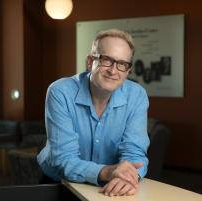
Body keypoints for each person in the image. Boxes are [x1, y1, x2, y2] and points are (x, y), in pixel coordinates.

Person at [37, 28, 150, 196]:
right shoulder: (60, 92)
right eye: (106, 60)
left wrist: (128, 176)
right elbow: (64, 159)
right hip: (58, 183)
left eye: (122, 64)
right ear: (90, 62)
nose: (113, 70)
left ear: (128, 70)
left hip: (111, 184)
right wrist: (109, 172)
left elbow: (135, 153)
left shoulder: (137, 95)